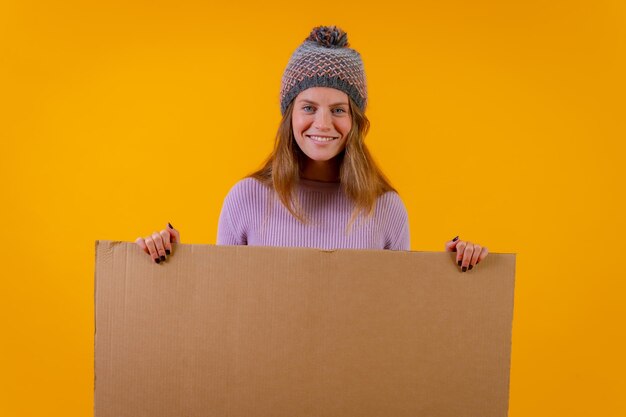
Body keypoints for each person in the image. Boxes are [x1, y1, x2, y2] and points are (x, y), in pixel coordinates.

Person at [135, 25, 489, 272]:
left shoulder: (385, 208)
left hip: (354, 376)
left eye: (338, 110)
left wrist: (454, 271)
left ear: (355, 121)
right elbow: (224, 308)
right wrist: (169, 258)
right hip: (264, 375)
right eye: (308, 108)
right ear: (289, 116)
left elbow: (398, 316)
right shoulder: (245, 199)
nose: (322, 125)